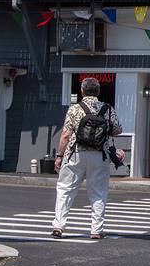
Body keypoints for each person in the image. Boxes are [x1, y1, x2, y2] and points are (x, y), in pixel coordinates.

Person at [51, 77, 123, 240]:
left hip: (76, 153)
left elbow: (66, 134)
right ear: (98, 92)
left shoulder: (75, 109)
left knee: (65, 189)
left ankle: (58, 226)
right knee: (98, 191)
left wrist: (59, 156)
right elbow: (118, 130)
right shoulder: (108, 109)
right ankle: (96, 229)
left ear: (82, 91)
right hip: (100, 155)